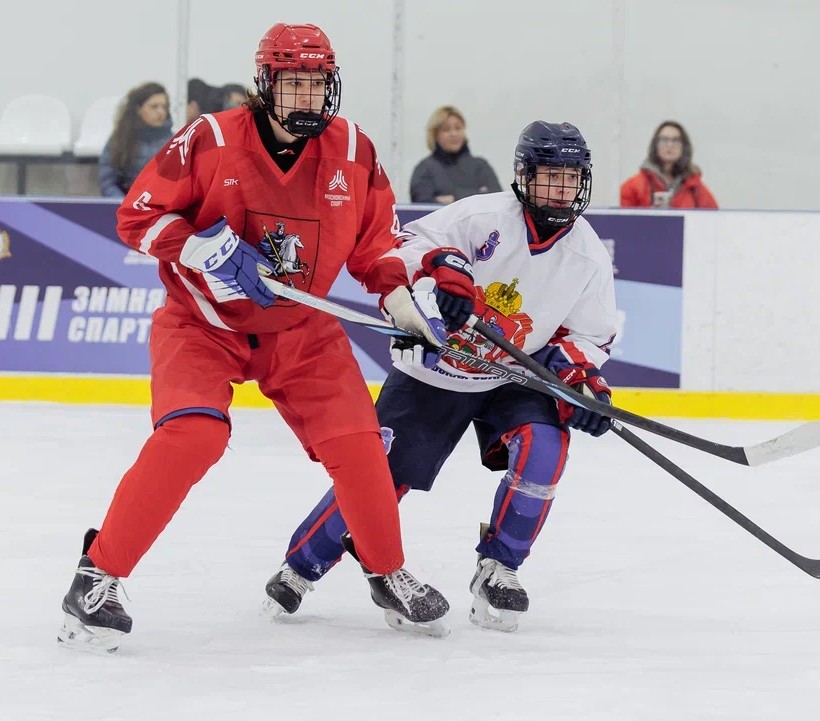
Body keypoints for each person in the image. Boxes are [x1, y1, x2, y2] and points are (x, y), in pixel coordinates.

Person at [57, 22, 451, 653]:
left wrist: (398, 297)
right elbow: (136, 216)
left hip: (303, 329)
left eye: (316, 83)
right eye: (292, 83)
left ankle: (386, 570)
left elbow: (376, 242)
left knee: (360, 448)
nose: (305, 97)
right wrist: (199, 245)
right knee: (194, 436)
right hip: (202, 323)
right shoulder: (210, 138)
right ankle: (96, 576)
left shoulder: (354, 150)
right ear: (266, 85)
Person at [265, 121, 618, 633]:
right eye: (549, 177)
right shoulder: (482, 215)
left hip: (510, 375)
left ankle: (500, 568)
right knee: (378, 477)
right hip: (438, 368)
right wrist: (445, 272)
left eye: (571, 178)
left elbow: (590, 335)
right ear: (524, 176)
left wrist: (580, 383)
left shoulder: (586, 255)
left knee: (546, 446)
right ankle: (301, 566)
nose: (561, 190)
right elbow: (407, 245)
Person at [409, 105, 502, 204]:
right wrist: (477, 194)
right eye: (446, 130)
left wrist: (453, 198)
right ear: (435, 135)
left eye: (458, 128)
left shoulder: (480, 166)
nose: (453, 134)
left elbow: (496, 199)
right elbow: (421, 203)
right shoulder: (425, 169)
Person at [619, 120, 718, 209]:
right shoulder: (632, 187)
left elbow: (712, 221)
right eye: (664, 140)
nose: (670, 145)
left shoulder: (695, 187)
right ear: (655, 146)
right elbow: (625, 225)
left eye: (676, 140)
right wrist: (651, 213)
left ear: (684, 147)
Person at [98, 82, 173, 198]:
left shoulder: (175, 142)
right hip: (126, 208)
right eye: (154, 106)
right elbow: (108, 181)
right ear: (139, 109)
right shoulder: (120, 140)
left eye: (164, 107)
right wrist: (123, 204)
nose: (161, 112)